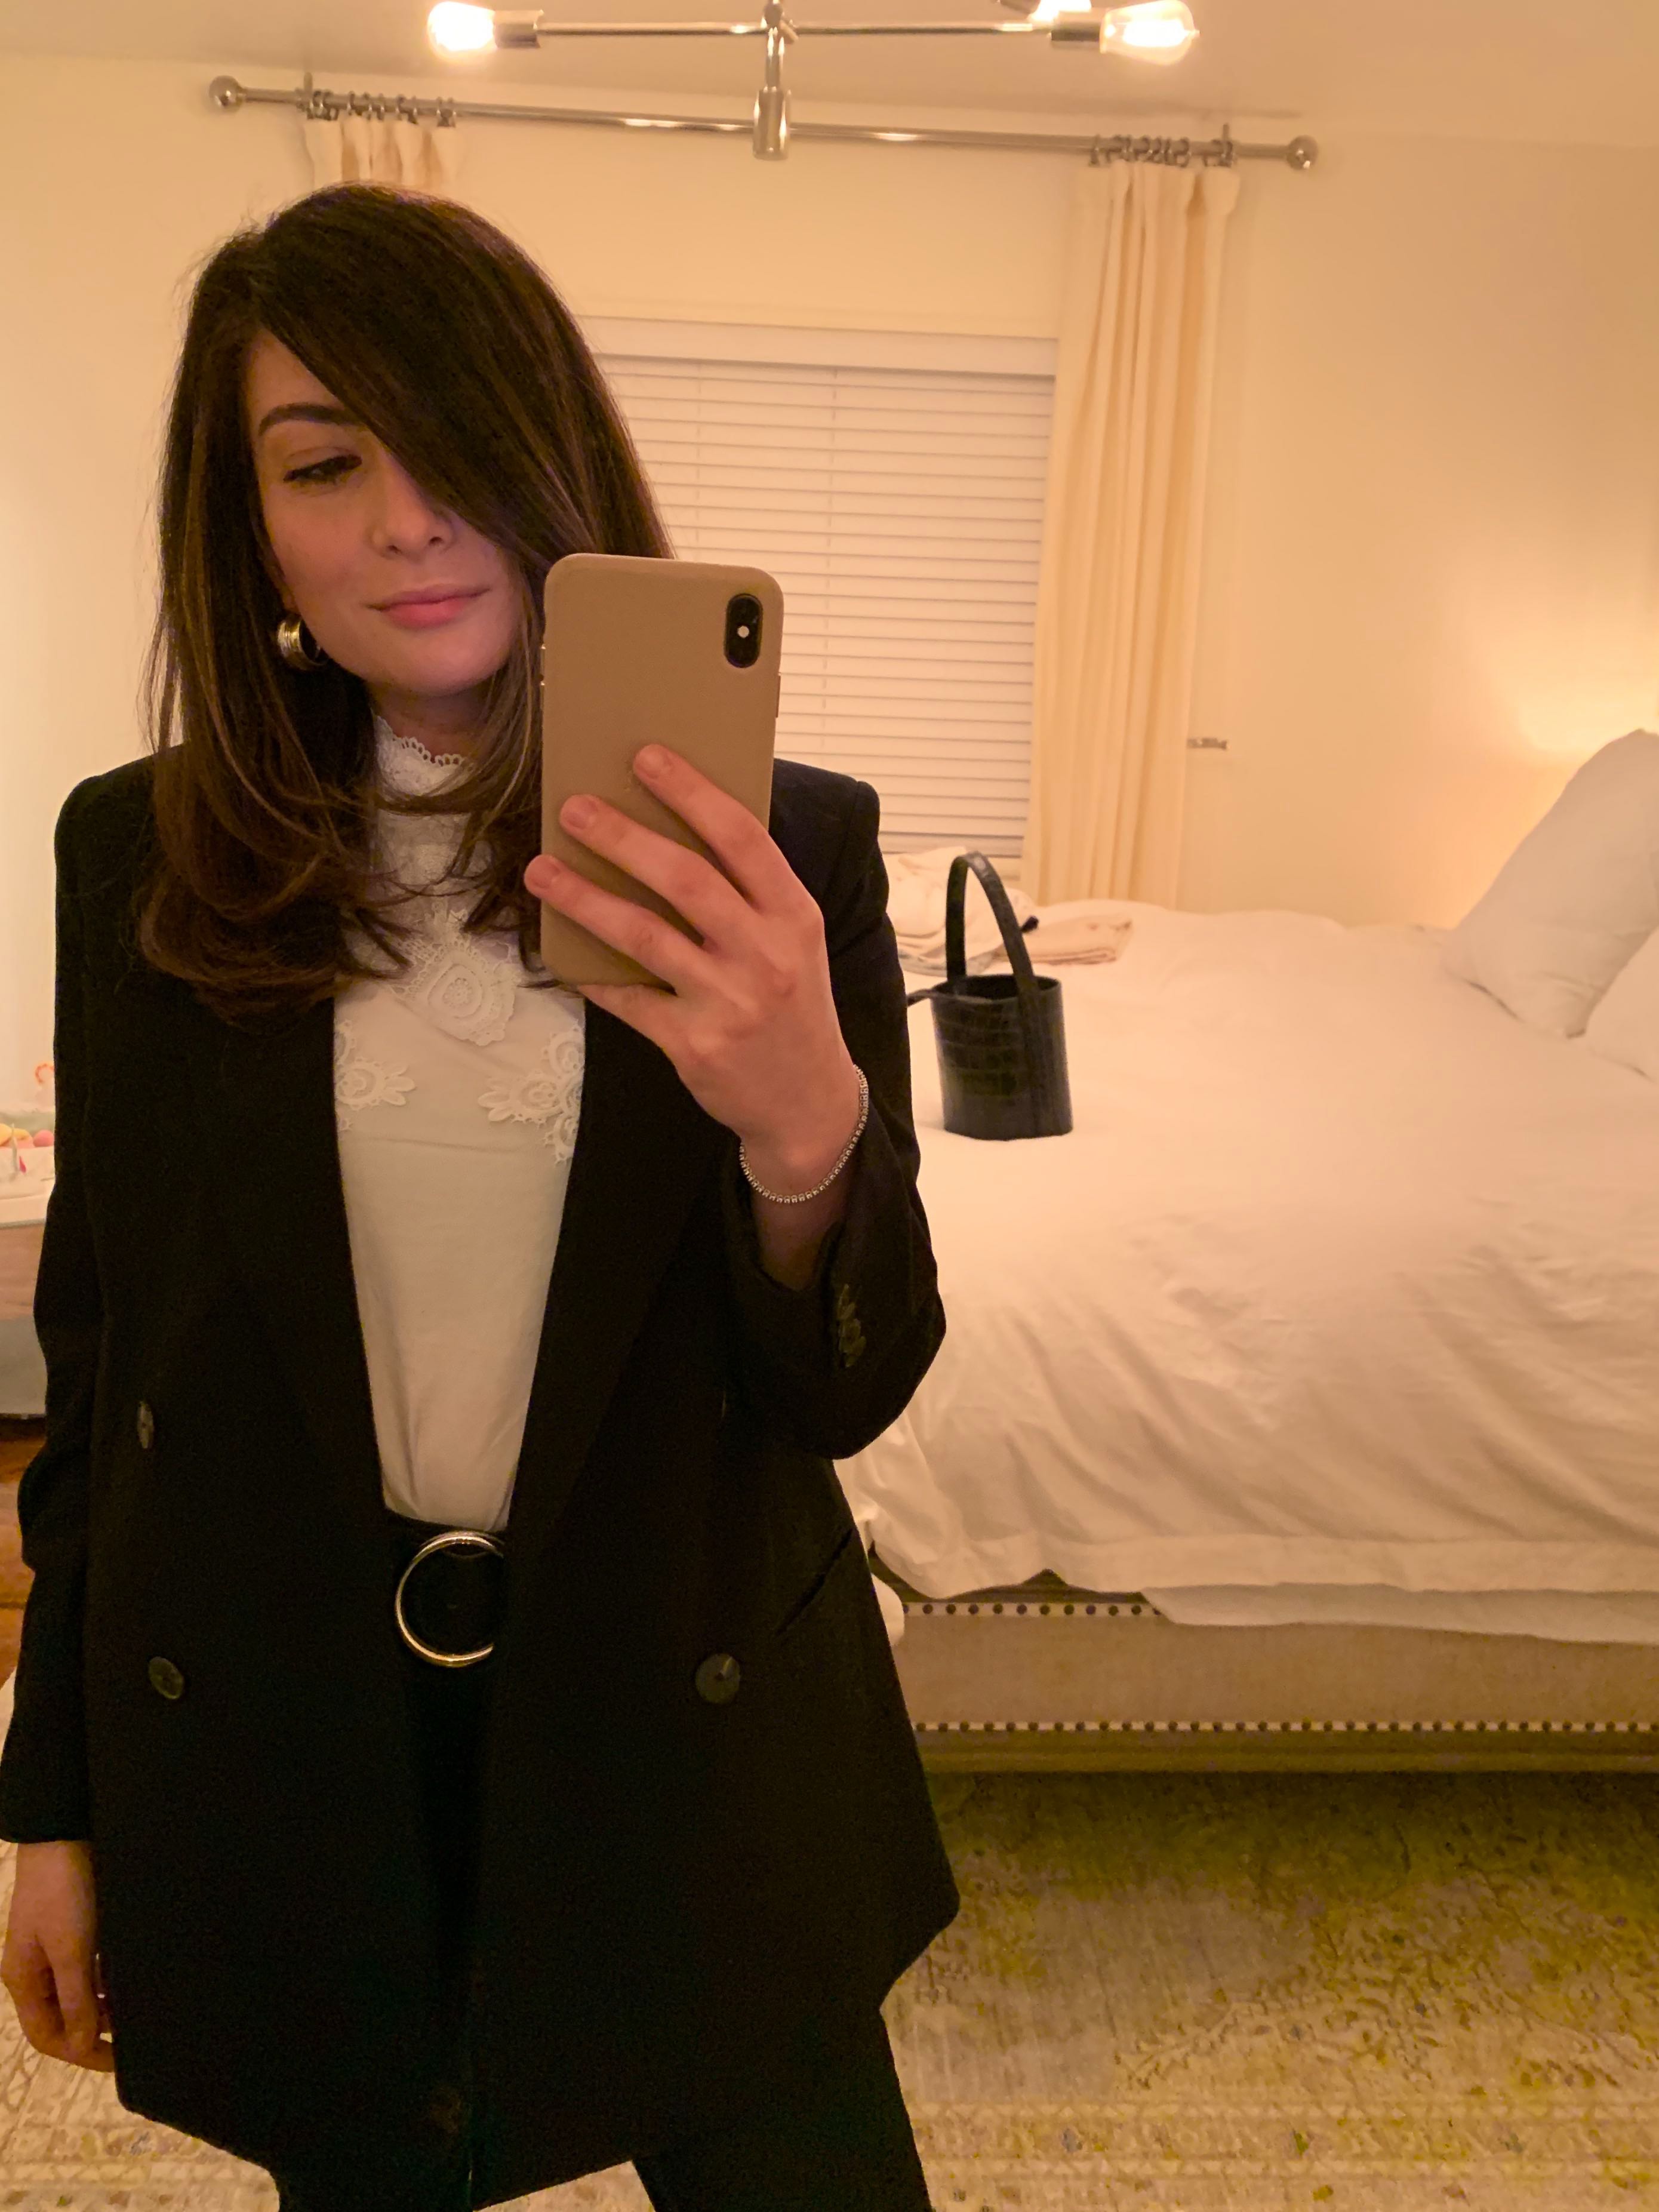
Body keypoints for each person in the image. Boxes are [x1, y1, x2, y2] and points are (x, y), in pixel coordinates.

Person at [0, 182, 958, 2211]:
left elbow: (844, 1388)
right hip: (295, 1723)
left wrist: (805, 1127)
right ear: (250, 528)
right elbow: (106, 1360)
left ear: (555, 462)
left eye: (450, 440)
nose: (406, 519)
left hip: (686, 1715)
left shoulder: (785, 848)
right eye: (322, 463)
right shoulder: (138, 857)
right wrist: (52, 1798)